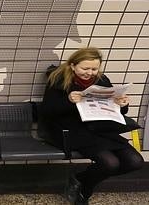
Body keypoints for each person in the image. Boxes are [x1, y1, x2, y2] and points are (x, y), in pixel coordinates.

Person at [39, 47, 143, 205]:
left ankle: (80, 179)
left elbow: (113, 107)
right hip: (70, 130)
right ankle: (85, 192)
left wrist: (121, 104)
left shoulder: (101, 80)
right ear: (73, 66)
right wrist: (69, 101)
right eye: (85, 68)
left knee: (135, 162)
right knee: (110, 163)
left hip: (99, 128)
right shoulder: (59, 79)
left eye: (94, 68)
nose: (90, 72)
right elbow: (48, 111)